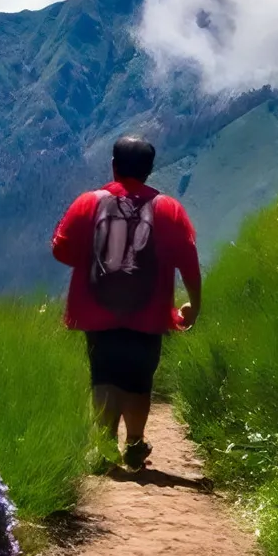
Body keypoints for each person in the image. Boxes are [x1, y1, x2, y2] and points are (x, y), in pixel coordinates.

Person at [51, 135, 201, 472]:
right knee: (138, 378)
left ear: (114, 166)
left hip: (94, 309)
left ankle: (105, 448)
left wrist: (89, 257)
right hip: (149, 312)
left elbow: (61, 249)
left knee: (103, 375)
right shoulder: (169, 209)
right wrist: (194, 304)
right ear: (149, 170)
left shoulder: (89, 202)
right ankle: (134, 443)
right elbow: (188, 260)